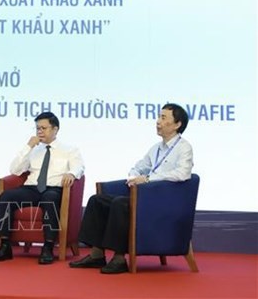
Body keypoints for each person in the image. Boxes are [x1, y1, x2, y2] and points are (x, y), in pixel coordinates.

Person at [69, 103, 193, 274]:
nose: (158, 121)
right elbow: (140, 166)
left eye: (163, 118)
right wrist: (133, 177)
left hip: (164, 202)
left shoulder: (183, 147)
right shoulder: (156, 148)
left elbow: (183, 174)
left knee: (120, 203)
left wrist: (149, 179)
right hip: (144, 196)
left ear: (177, 124)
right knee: (97, 200)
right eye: (158, 117)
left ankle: (119, 259)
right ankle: (96, 254)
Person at [0, 111, 85, 265]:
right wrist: (28, 147)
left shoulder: (69, 149)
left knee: (50, 199)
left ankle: (47, 247)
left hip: (53, 189)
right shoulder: (34, 149)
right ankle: (5, 245)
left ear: (55, 129)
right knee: (6, 197)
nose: (40, 132)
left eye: (44, 128)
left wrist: (71, 173)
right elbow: (15, 170)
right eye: (37, 128)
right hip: (32, 189)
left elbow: (79, 166)